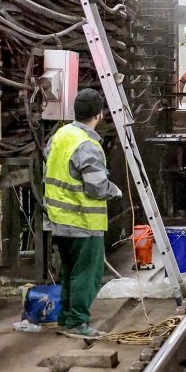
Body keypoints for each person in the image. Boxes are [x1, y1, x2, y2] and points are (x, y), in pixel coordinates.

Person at [43, 88, 122, 338]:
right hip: (83, 221)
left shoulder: (61, 135)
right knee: (87, 274)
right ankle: (78, 322)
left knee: (69, 272)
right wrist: (115, 190)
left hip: (59, 219)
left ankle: (66, 319)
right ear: (99, 115)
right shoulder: (88, 145)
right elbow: (96, 187)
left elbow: (52, 162)